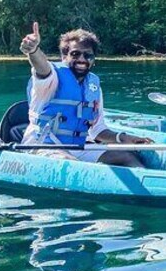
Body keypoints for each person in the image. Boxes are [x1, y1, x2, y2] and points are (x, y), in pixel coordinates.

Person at [19, 22, 152, 167]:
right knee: (71, 164)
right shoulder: (51, 77)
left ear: (93, 59)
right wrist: (33, 51)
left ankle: (148, 188)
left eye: (88, 55)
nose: (82, 59)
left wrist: (124, 138)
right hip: (42, 146)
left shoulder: (93, 87)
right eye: (75, 54)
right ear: (64, 56)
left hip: (78, 148)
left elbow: (98, 131)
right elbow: (41, 67)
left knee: (126, 157)